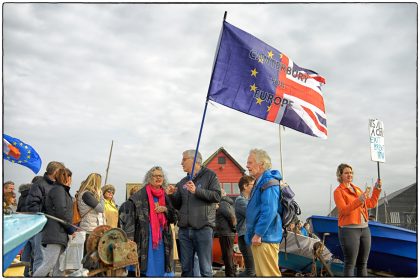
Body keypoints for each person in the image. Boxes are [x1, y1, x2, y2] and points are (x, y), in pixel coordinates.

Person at [167, 149, 221, 277]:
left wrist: (197, 191)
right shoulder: (182, 182)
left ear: (195, 160)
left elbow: (217, 196)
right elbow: (177, 205)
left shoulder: (210, 175)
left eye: (184, 159)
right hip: (185, 231)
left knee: (205, 269)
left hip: (203, 228)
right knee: (186, 269)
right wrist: (172, 195)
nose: (181, 162)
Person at [333, 163, 382, 277]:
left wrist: (377, 189)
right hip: (349, 230)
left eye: (351, 172)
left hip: (365, 229)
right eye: (346, 173)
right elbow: (344, 210)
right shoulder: (338, 192)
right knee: (350, 263)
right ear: (340, 175)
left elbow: (371, 203)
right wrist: (359, 200)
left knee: (363, 264)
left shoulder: (357, 189)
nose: (349, 175)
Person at [126, 166, 176, 276]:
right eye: (155, 176)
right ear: (149, 178)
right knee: (146, 267)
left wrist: (166, 209)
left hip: (162, 236)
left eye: (161, 176)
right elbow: (130, 216)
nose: (158, 178)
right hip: (145, 235)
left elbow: (174, 217)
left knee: (161, 265)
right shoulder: (139, 195)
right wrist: (130, 238)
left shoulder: (166, 196)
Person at [245, 148, 282, 277]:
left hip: (265, 237)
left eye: (250, 162)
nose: (247, 166)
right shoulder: (260, 182)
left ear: (261, 165)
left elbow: (269, 210)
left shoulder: (268, 182)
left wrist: (258, 233)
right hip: (262, 238)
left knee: (269, 275)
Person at [33, 168, 76, 276]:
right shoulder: (58, 190)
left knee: (59, 267)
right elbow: (61, 212)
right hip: (55, 232)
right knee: (49, 264)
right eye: (70, 177)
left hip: (59, 232)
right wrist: (70, 229)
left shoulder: (61, 190)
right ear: (67, 178)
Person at [26, 161, 65, 273]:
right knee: (41, 259)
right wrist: (48, 212)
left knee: (56, 261)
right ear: (56, 171)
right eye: (62, 172)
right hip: (42, 228)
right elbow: (32, 206)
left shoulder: (59, 186)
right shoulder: (39, 184)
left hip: (55, 229)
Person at [234, 175, 256, 277]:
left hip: (249, 237)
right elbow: (252, 213)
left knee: (253, 270)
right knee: (251, 271)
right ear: (245, 186)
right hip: (244, 237)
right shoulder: (240, 200)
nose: (255, 186)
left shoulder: (249, 200)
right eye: (253, 184)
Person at [216, 189, 237, 277]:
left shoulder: (223, 204)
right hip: (226, 232)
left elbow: (231, 216)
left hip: (226, 233)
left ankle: (230, 275)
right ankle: (231, 274)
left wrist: (233, 228)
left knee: (227, 256)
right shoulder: (226, 203)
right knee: (228, 255)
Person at [77, 173, 105, 239]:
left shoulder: (88, 194)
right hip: (89, 228)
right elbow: (101, 208)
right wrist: (101, 195)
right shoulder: (87, 195)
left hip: (92, 227)